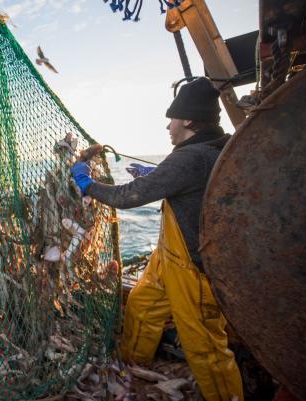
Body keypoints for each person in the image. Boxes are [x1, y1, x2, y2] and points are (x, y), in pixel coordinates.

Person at [71, 78, 243, 401]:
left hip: (193, 271)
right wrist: (156, 177)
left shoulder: (189, 158)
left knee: (206, 350)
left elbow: (127, 196)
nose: (168, 125)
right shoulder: (214, 147)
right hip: (168, 261)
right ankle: (133, 371)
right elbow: (194, 185)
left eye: (173, 117)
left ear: (189, 120)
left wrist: (87, 184)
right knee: (141, 306)